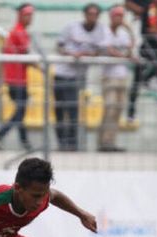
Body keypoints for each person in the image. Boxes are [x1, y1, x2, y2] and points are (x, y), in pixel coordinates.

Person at [53, 3, 106, 152]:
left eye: (95, 14)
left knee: (73, 112)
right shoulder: (71, 27)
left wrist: (88, 55)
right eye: (90, 14)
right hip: (61, 73)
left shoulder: (101, 31)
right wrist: (71, 54)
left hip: (78, 77)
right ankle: (62, 144)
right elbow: (59, 46)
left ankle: (72, 144)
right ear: (85, 14)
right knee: (60, 112)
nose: (92, 17)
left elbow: (102, 50)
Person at [0, 3, 34, 152]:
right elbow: (26, 55)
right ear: (20, 15)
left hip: (19, 78)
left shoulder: (18, 32)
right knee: (20, 111)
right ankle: (0, 134)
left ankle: (25, 142)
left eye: (31, 15)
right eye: (27, 14)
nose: (30, 18)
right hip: (16, 79)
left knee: (20, 111)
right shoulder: (18, 32)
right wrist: (42, 66)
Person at [97, 5, 133, 152]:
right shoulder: (104, 31)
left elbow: (130, 49)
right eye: (117, 15)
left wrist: (130, 30)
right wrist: (123, 55)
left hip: (122, 76)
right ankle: (103, 142)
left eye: (121, 16)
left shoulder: (124, 34)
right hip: (109, 76)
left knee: (118, 110)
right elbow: (109, 50)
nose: (120, 18)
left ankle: (111, 141)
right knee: (109, 109)